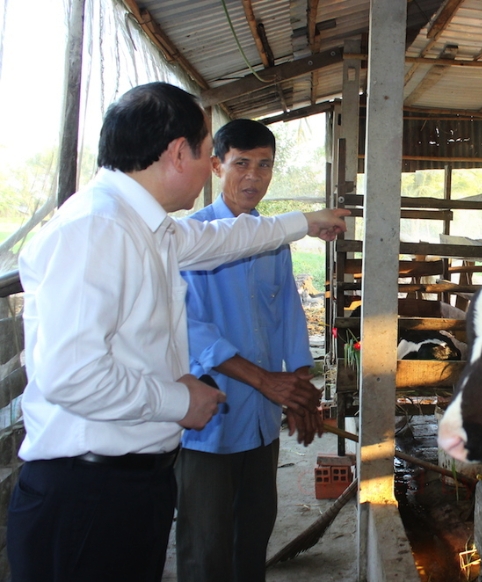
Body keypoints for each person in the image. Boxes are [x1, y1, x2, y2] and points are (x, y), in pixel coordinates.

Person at [7, 82, 349, 582]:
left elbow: (221, 237)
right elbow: (72, 377)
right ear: (176, 153)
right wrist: (178, 401)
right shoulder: (95, 230)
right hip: (86, 488)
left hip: (126, 478)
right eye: (210, 152)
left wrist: (305, 222)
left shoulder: (145, 227)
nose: (216, 167)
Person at [175, 119, 323, 582]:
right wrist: (266, 380)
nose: (254, 177)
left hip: (262, 419)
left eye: (265, 165)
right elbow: (186, 329)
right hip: (210, 417)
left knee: (254, 530)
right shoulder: (188, 238)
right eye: (241, 164)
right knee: (206, 544)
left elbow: (286, 316)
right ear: (216, 165)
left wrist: (300, 383)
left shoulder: (271, 238)